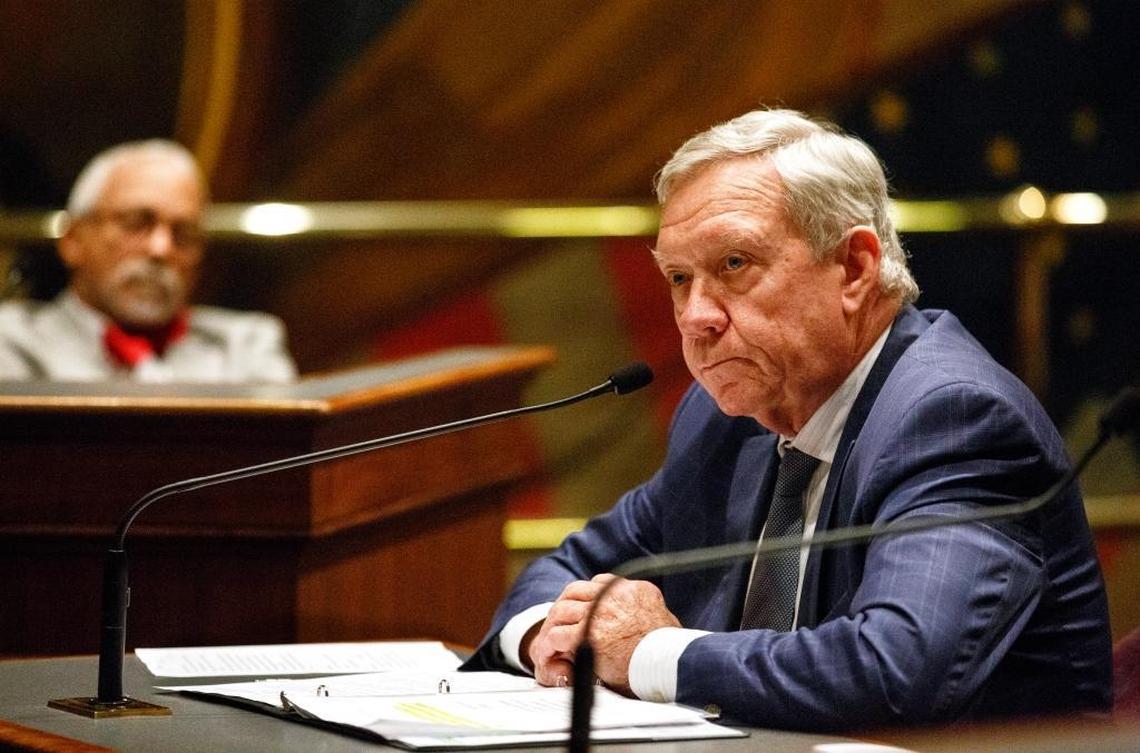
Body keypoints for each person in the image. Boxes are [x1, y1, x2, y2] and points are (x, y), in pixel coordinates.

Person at [464, 109, 1112, 730]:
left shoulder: (953, 419)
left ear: (854, 267)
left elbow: (894, 672)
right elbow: (569, 569)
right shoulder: (729, 419)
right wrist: (553, 637)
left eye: (734, 266)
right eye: (679, 277)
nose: (695, 316)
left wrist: (650, 653)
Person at [0, 140, 296, 382]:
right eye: (135, 223)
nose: (161, 249)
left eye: (184, 234)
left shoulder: (245, 346)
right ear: (73, 240)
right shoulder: (12, 341)